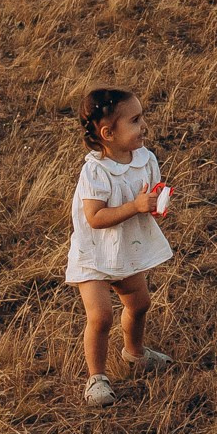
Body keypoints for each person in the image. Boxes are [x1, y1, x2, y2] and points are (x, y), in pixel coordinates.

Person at [68, 87, 177, 407]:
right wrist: (135, 206)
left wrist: (156, 204)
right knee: (101, 316)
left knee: (140, 304)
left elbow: (148, 197)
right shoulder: (96, 170)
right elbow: (95, 218)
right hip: (94, 254)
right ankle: (97, 378)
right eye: (135, 120)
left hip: (126, 249)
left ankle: (135, 353)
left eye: (141, 117)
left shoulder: (145, 159)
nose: (144, 125)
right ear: (108, 133)